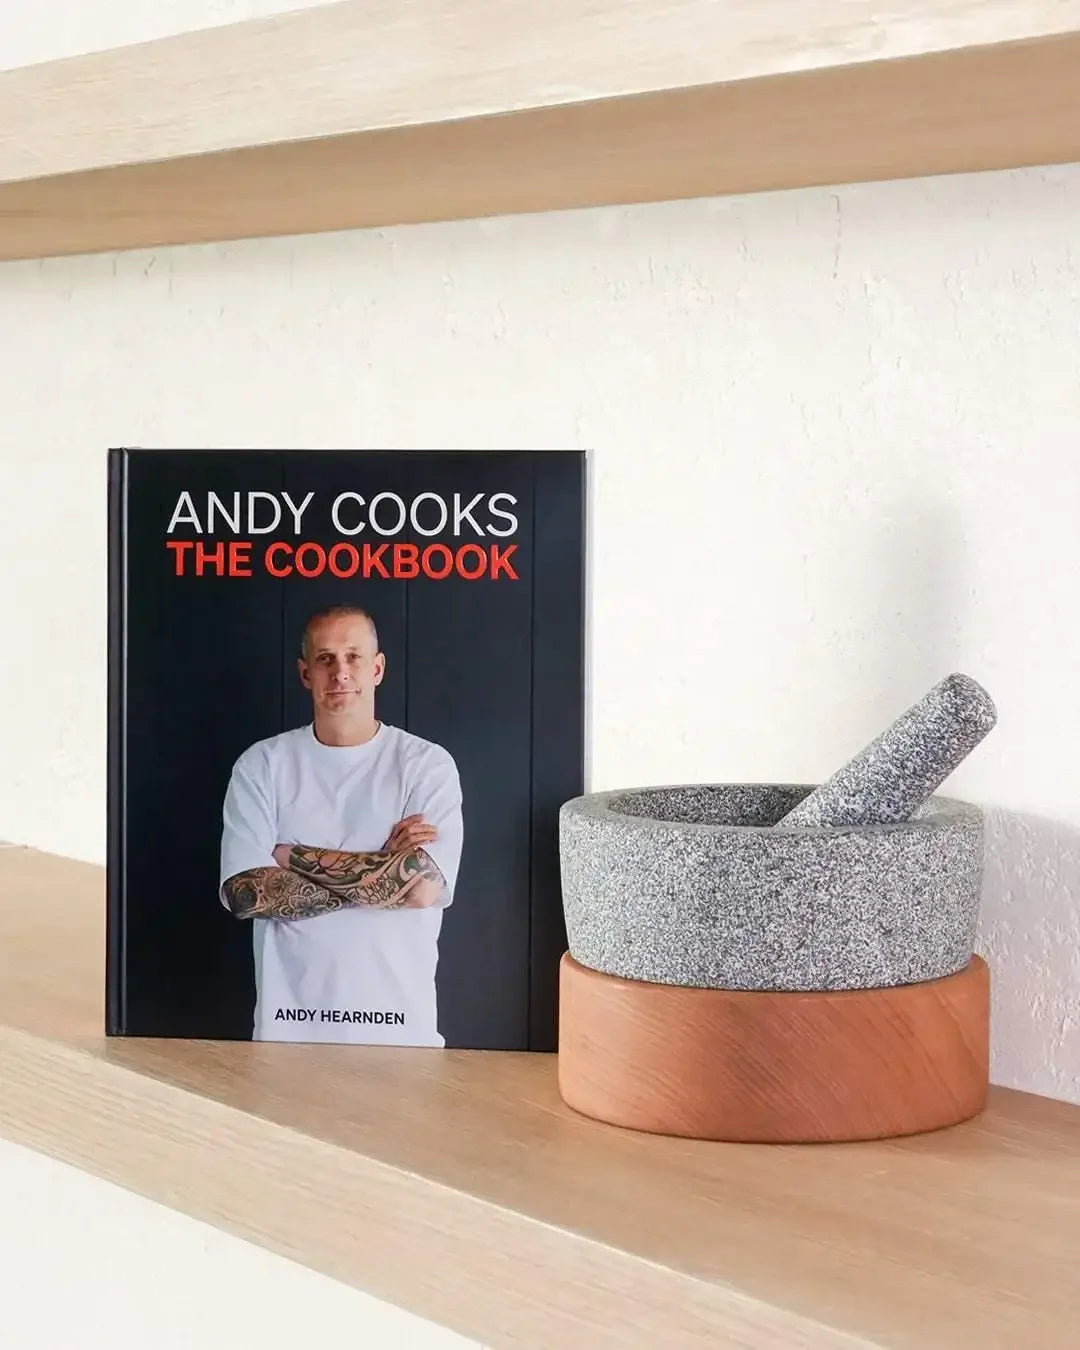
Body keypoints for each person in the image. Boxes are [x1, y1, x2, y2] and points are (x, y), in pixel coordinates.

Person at [218, 604, 463, 1047]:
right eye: (325, 658)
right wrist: (383, 870)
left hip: (401, 1031)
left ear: (377, 668)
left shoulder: (426, 766)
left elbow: (422, 888)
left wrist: (289, 856)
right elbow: (246, 894)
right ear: (305, 672)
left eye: (353, 656)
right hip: (288, 1029)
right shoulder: (262, 766)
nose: (340, 672)